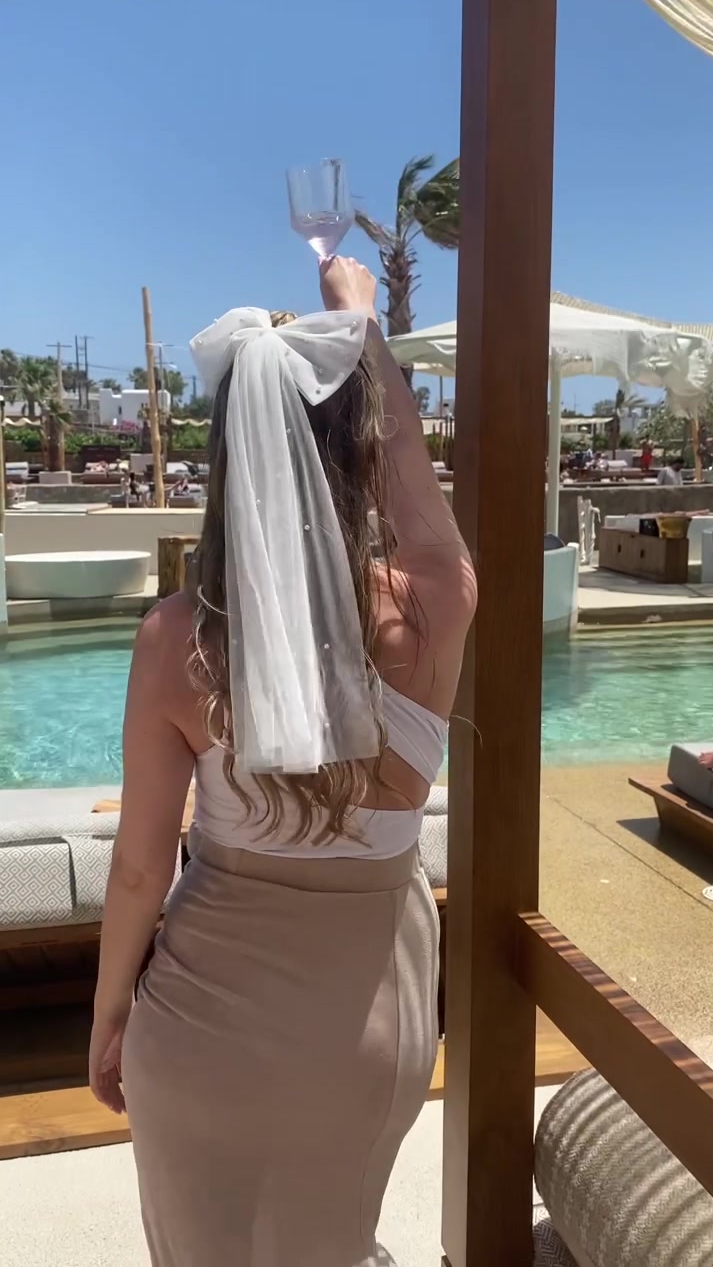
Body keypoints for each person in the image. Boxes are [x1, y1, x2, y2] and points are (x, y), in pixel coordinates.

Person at [89, 257, 476, 1267]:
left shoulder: (176, 638)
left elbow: (139, 869)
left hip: (198, 1029)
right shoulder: (433, 601)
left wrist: (108, 1016)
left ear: (232, 454)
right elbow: (413, 479)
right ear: (355, 439)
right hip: (370, 1026)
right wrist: (361, 326)